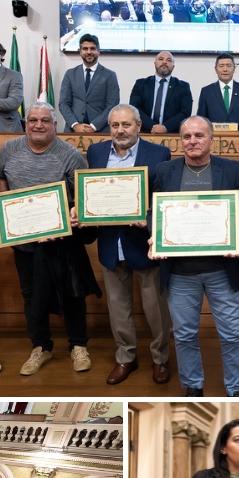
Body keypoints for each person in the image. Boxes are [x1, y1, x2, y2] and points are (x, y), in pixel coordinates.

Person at [148, 117, 239, 397]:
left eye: (198, 135)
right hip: (181, 272)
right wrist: (154, 234)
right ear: (179, 140)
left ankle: (236, 389)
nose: (192, 141)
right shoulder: (165, 170)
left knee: (233, 334)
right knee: (184, 335)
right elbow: (154, 211)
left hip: (221, 269)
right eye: (186, 136)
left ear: (211, 139)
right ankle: (193, 386)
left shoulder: (229, 169)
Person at [0, 101, 96, 377]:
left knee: (72, 292)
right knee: (31, 294)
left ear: (55, 125)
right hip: (24, 239)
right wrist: (4, 203)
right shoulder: (11, 148)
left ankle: (78, 345)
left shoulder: (70, 154)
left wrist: (72, 213)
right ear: (25, 123)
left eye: (45, 121)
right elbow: (0, 178)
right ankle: (41, 347)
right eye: (33, 120)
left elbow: (82, 195)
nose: (38, 125)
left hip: (61, 241)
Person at [85, 105, 173, 385]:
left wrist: (146, 219)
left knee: (156, 308)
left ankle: (161, 359)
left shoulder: (158, 154)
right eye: (114, 125)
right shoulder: (96, 153)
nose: (120, 131)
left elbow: (163, 198)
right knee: (118, 306)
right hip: (111, 243)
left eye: (126, 125)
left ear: (138, 125)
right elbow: (91, 192)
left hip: (143, 242)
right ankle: (126, 357)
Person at [59, 33, 120, 133]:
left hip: (100, 131)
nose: (89, 52)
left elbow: (112, 105)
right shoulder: (70, 74)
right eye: (85, 49)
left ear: (98, 51)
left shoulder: (110, 75)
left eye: (92, 48)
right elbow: (64, 103)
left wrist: (94, 126)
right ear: (80, 51)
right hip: (73, 131)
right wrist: (75, 125)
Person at [128, 51, 193, 134]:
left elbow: (185, 112)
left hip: (172, 133)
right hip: (144, 132)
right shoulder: (140, 84)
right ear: (155, 63)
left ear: (173, 66)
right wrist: (153, 127)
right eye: (161, 59)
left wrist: (165, 127)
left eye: (169, 60)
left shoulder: (183, 86)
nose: (164, 62)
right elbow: (135, 109)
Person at [196, 53, 239, 134]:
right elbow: (201, 121)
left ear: (234, 69)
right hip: (213, 141)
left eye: (228, 66)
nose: (225, 69)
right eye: (221, 66)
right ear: (215, 69)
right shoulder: (206, 91)